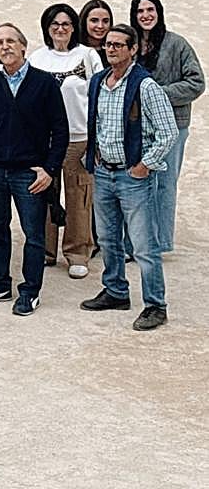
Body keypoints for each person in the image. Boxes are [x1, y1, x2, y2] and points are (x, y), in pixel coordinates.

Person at [79, 24, 178, 331]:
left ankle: (156, 305)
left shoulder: (145, 86)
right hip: (104, 173)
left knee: (144, 245)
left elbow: (168, 132)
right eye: (108, 44)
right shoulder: (98, 81)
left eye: (118, 45)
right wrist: (94, 153)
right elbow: (96, 123)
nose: (111, 49)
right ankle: (116, 291)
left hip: (133, 177)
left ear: (133, 49)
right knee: (108, 238)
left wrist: (145, 165)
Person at [0, 24, 68, 316]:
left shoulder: (44, 83)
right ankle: (0, 283)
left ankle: (30, 291)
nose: (5, 46)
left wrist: (49, 170)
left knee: (33, 234)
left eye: (11, 41)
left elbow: (60, 131)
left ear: (23, 46)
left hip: (29, 173)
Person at [28, 3, 103, 278]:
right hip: (44, 141)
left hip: (78, 138)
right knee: (44, 195)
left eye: (66, 24)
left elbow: (99, 98)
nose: (60, 29)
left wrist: (96, 140)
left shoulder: (88, 55)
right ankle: (45, 250)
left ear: (74, 27)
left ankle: (77, 252)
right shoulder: (37, 58)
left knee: (78, 197)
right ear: (47, 28)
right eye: (55, 24)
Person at [130, 0, 203, 253]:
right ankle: (133, 240)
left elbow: (196, 83)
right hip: (137, 125)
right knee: (135, 182)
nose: (145, 15)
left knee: (164, 183)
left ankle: (158, 243)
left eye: (150, 10)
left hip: (173, 125)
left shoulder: (177, 44)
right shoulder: (130, 44)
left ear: (159, 12)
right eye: (140, 11)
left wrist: (158, 94)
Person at [78, 0, 113, 64]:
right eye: (94, 21)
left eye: (105, 21)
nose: (100, 26)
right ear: (84, 22)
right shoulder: (74, 50)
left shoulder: (114, 52)